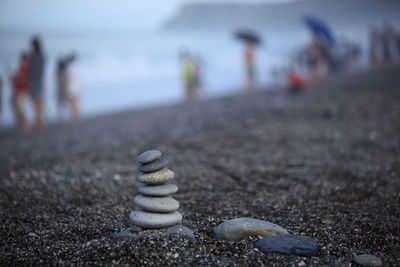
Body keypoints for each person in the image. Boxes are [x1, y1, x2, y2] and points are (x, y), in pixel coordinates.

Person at [29, 36, 45, 131]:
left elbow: (34, 71)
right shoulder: (42, 55)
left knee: (36, 103)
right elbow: (41, 70)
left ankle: (38, 123)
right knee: (39, 103)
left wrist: (32, 82)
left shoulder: (35, 55)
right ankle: (39, 122)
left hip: (35, 81)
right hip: (40, 81)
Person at [12, 53, 30, 132]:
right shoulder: (24, 68)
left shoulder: (25, 68)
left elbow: (23, 79)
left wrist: (15, 79)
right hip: (20, 90)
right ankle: (24, 125)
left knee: (20, 108)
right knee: (19, 108)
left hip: (22, 90)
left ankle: (25, 125)